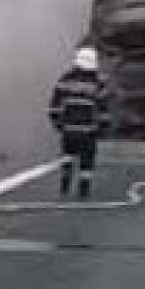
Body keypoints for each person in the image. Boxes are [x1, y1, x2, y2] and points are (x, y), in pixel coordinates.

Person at [48, 46, 111, 198]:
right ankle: (84, 188)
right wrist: (103, 128)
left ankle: (65, 182)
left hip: (68, 129)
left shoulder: (65, 79)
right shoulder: (98, 83)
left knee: (68, 154)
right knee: (87, 158)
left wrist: (57, 122)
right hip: (88, 130)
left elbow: (55, 104)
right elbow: (103, 108)